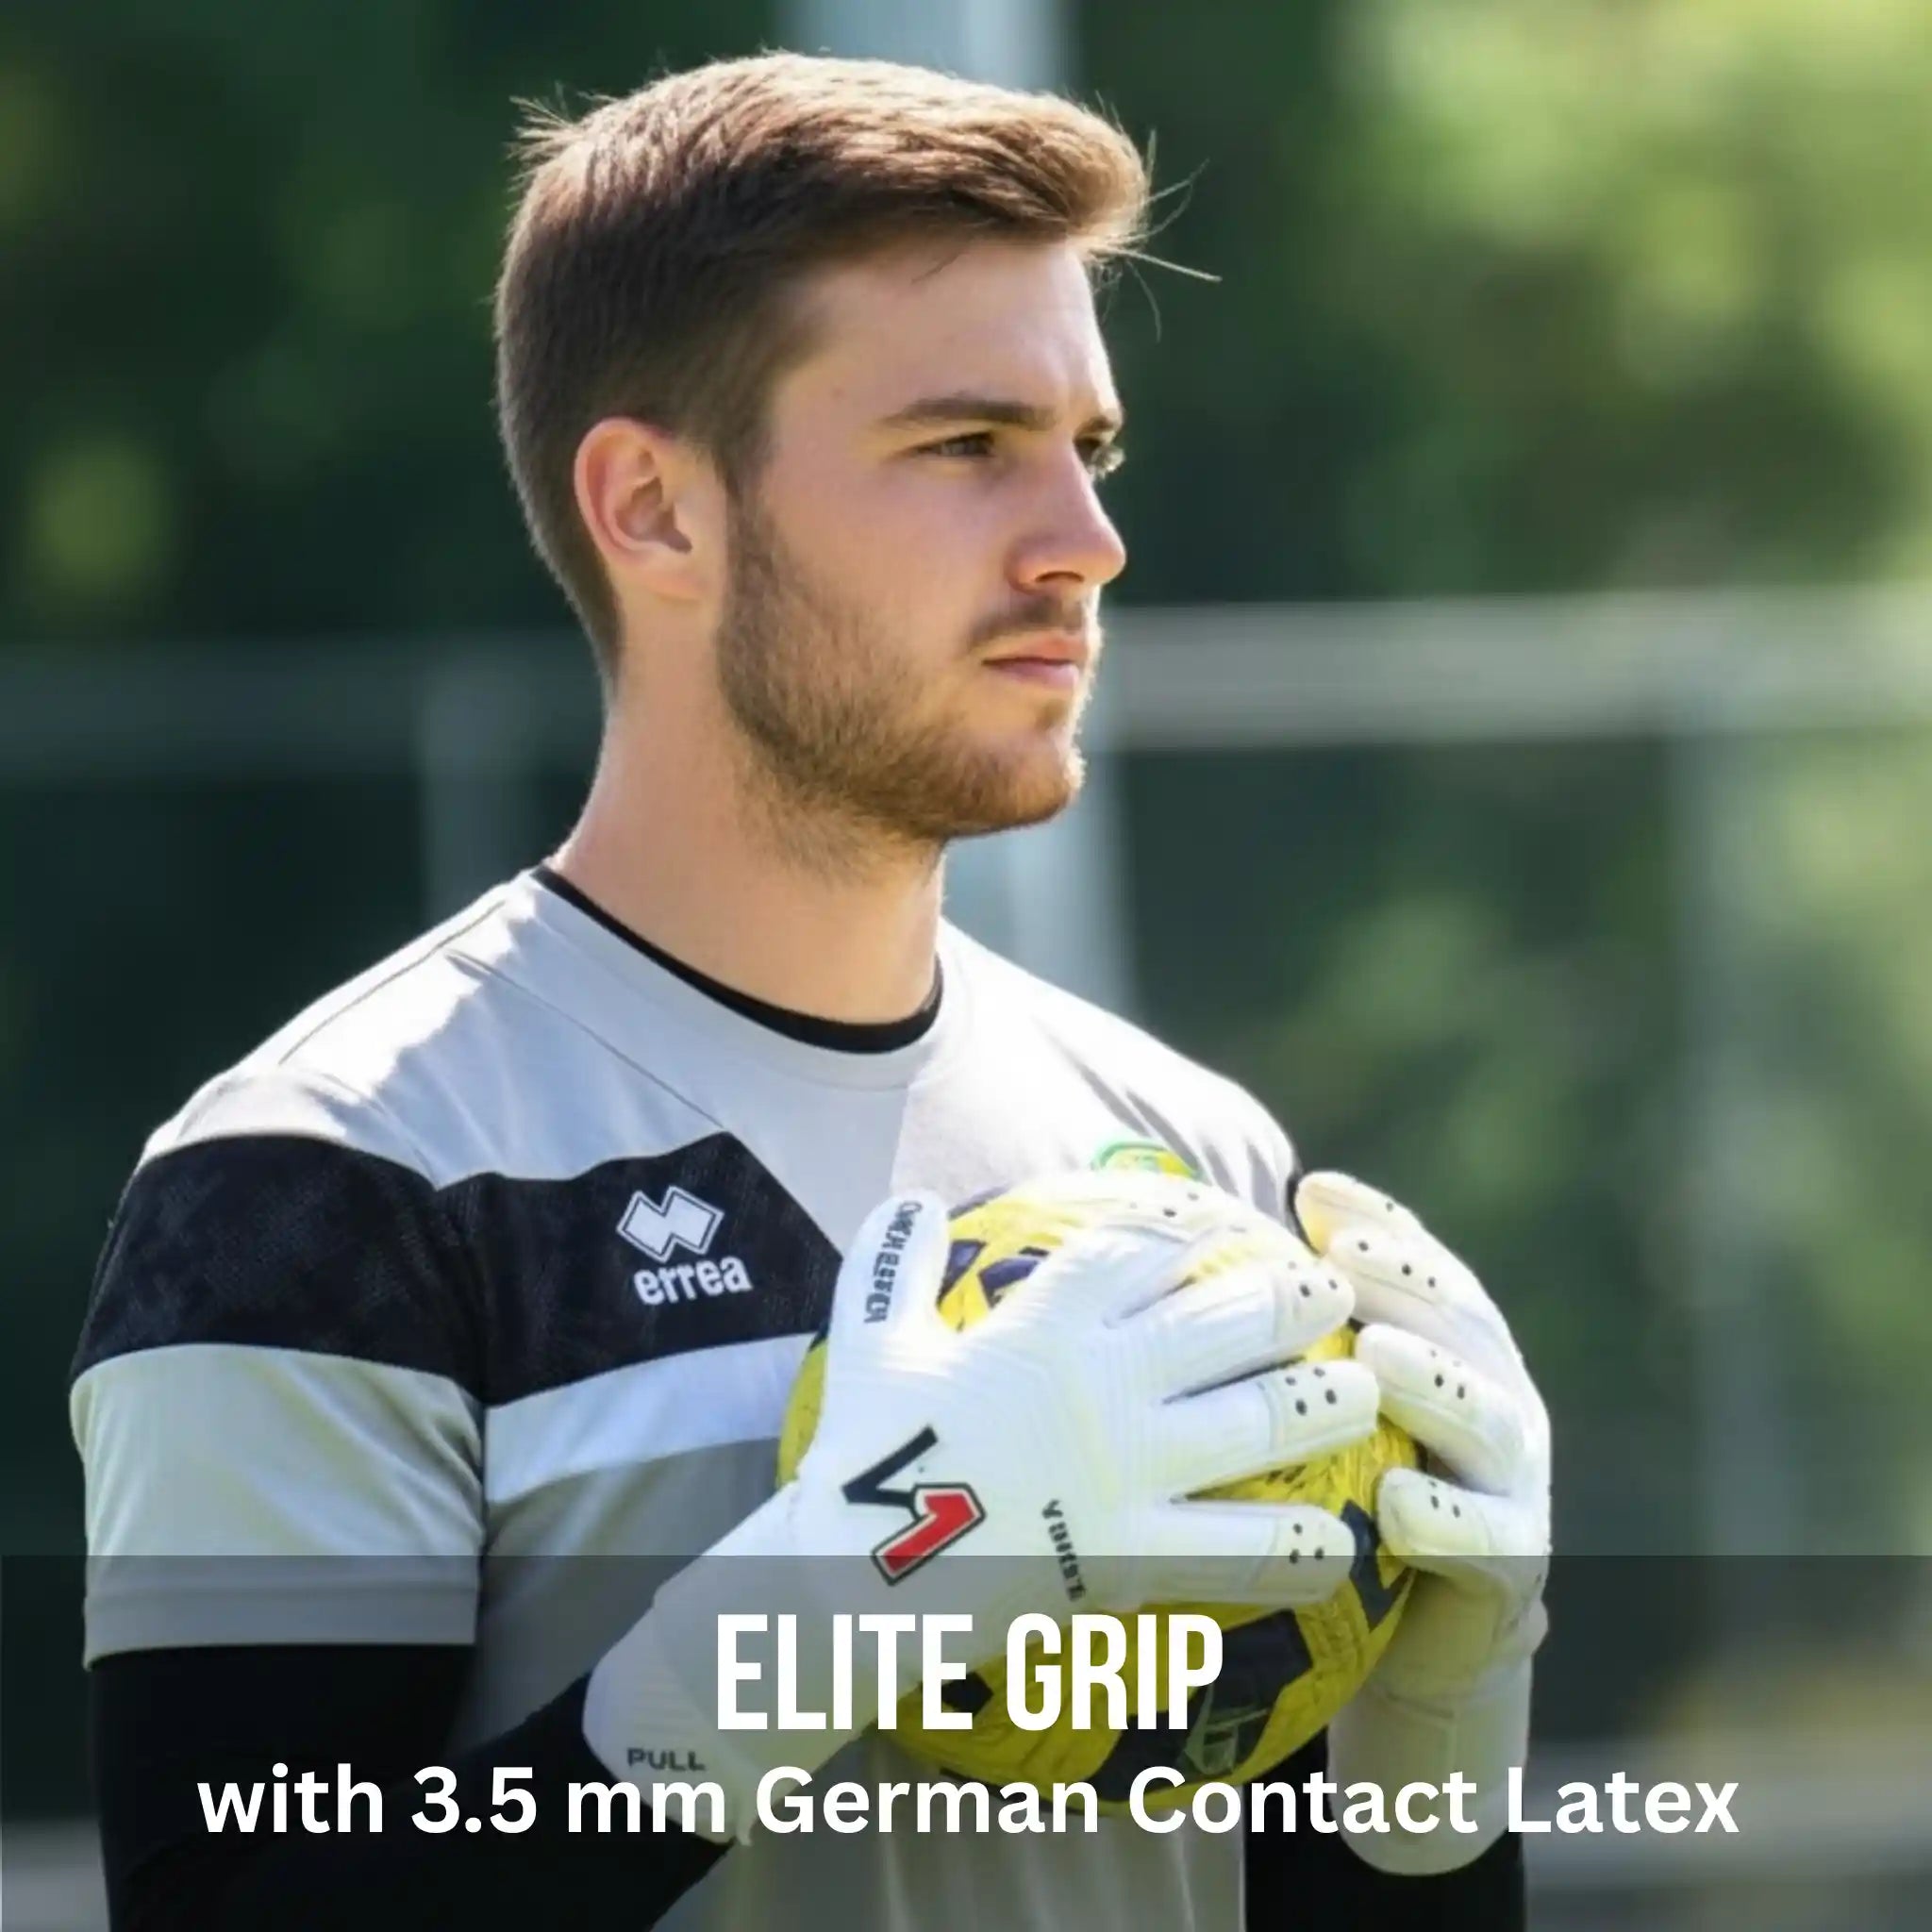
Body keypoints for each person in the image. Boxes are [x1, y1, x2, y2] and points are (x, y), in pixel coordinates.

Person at [73, 53, 1548, 1930]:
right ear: (654, 510)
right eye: (962, 445)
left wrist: (1426, 1783)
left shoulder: (1197, 1162)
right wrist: (802, 1624)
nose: (1080, 544)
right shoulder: (315, 1187)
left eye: (1083, 450)